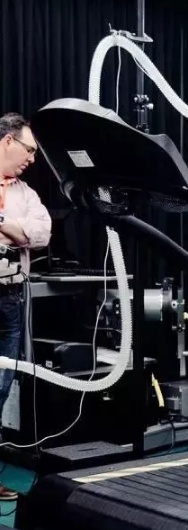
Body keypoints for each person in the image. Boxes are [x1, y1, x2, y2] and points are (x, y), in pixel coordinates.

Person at [0, 113, 51, 499]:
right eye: (29, 150)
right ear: (7, 142)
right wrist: (14, 230)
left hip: (9, 298)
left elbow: (40, 234)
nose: (32, 159)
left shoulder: (27, 194)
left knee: (0, 388)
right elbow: (21, 234)